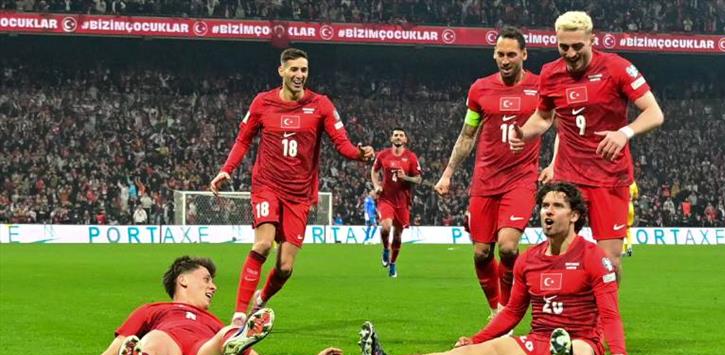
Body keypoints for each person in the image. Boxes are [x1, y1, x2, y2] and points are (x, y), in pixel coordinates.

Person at [359, 182, 627, 355]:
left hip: (582, 340)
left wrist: (617, 351)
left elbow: (609, 312)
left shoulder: (593, 257)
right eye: (545, 205)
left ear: (574, 215)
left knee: (578, 353)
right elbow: (512, 312)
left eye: (557, 206)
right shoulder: (529, 260)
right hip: (537, 342)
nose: (548, 211)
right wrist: (475, 340)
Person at [209, 48, 374, 325]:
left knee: (285, 267)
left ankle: (261, 299)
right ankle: (238, 315)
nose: (299, 75)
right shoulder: (262, 102)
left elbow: (342, 144)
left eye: (304, 70)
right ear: (282, 71)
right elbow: (243, 139)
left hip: (299, 194)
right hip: (267, 185)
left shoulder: (321, 105)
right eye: (294, 69)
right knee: (263, 244)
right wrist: (226, 170)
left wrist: (360, 154)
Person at [510, 11, 664, 281]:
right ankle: (565, 306)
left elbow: (654, 113)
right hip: (569, 177)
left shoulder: (617, 68)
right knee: (560, 252)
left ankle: (606, 308)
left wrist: (624, 133)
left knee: (609, 262)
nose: (570, 53)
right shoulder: (550, 73)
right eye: (563, 47)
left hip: (610, 177)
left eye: (577, 46)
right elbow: (543, 118)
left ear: (592, 40)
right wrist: (524, 133)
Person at [68, 256, 343, 355]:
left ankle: (235, 342)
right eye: (207, 279)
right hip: (168, 343)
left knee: (225, 334)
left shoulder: (212, 321)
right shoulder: (153, 309)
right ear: (183, 280)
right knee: (154, 340)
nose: (213, 287)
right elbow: (118, 344)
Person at [434, 27, 542, 316]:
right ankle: (495, 310)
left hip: (521, 179)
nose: (505, 60)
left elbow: (559, 126)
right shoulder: (480, 89)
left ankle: (506, 311)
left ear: (524, 54)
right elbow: (467, 134)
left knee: (507, 248)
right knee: (482, 253)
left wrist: (555, 163)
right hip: (485, 180)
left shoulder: (541, 87)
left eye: (511, 54)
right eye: (500, 54)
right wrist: (448, 173)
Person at [371, 127, 422, 278]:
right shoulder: (383, 155)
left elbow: (418, 179)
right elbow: (374, 171)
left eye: (401, 135)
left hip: (403, 201)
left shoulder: (411, 157)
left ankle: (393, 263)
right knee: (386, 227)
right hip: (386, 198)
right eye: (396, 135)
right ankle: (385, 249)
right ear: (391, 138)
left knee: (398, 236)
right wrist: (376, 186)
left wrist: (405, 177)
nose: (398, 137)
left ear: (405, 139)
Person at [623, 181, 639, 256]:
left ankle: (622, 250)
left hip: (622, 206)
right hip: (630, 207)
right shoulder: (633, 183)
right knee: (628, 229)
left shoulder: (621, 182)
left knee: (621, 229)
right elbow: (636, 196)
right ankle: (629, 248)